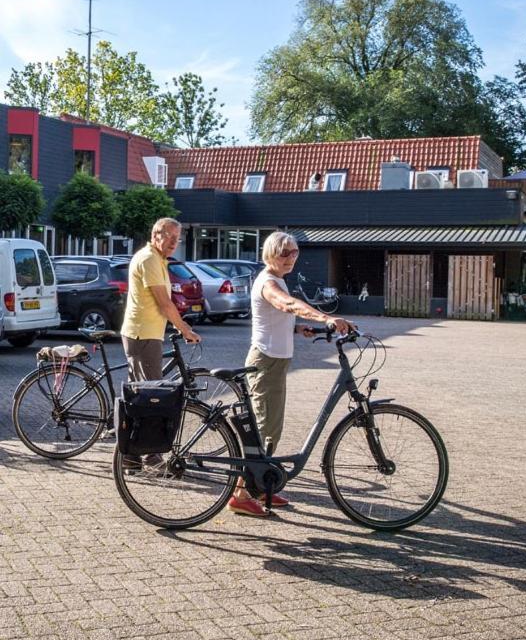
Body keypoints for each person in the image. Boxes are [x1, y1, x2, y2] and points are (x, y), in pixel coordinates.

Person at [228, 231, 353, 517]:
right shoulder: (269, 282)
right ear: (271, 253)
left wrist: (296, 328)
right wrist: (326, 317)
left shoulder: (278, 279)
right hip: (266, 361)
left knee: (272, 428)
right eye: (284, 253)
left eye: (294, 252)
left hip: (277, 360)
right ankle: (240, 494)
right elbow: (286, 304)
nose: (290, 258)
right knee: (262, 429)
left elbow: (275, 317)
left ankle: (260, 486)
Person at [120, 217, 201, 471]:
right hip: (143, 335)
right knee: (151, 398)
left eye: (178, 239)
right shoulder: (149, 260)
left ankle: (131, 457)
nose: (175, 243)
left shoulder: (157, 259)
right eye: (171, 238)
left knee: (140, 396)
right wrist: (184, 328)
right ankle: (152, 457)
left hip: (145, 333)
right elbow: (164, 303)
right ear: (156, 235)